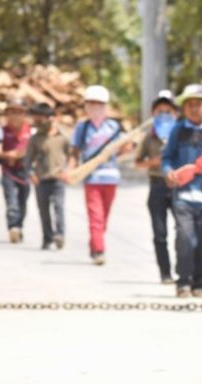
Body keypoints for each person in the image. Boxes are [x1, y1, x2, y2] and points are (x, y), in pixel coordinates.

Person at [162, 84, 202, 298]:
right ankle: (183, 281)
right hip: (182, 197)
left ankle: (200, 282)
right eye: (189, 104)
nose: (194, 109)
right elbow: (166, 157)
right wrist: (168, 172)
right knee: (184, 237)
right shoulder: (177, 130)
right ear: (183, 108)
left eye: (198, 104)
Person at [68, 85, 128, 265]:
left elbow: (123, 148)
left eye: (99, 104)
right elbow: (75, 151)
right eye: (91, 103)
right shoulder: (82, 127)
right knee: (96, 215)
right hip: (91, 177)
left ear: (105, 106)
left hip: (111, 176)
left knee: (104, 216)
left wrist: (123, 149)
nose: (95, 107)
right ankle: (100, 250)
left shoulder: (114, 127)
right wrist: (71, 170)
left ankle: (95, 244)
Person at [136, 90, 178, 284]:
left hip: (178, 186)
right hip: (157, 185)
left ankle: (183, 268)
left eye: (167, 110)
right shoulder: (149, 136)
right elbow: (137, 162)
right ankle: (165, 273)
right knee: (160, 233)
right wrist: (154, 161)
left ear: (175, 113)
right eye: (159, 110)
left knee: (184, 230)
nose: (164, 114)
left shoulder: (180, 134)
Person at [0, 97, 32, 243]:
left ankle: (19, 226)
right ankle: (13, 227)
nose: (15, 116)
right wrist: (6, 155)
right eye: (12, 112)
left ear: (24, 114)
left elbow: (36, 150)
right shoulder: (1, 131)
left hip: (25, 171)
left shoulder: (31, 131)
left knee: (22, 201)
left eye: (19, 112)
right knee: (11, 200)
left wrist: (21, 154)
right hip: (8, 171)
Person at [24, 103, 69, 250]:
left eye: (41, 118)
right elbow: (28, 159)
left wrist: (68, 171)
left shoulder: (63, 137)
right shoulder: (35, 139)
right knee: (43, 210)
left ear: (51, 118)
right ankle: (47, 238)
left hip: (58, 179)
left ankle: (60, 235)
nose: (38, 122)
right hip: (41, 179)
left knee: (59, 206)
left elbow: (73, 155)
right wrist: (31, 173)